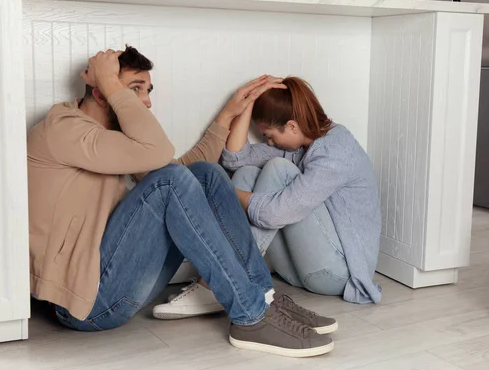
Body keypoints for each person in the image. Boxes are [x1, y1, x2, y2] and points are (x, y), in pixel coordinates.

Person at [27, 47, 337, 358]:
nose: (147, 102)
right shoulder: (63, 128)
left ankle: (263, 297)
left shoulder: (109, 139)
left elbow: (177, 170)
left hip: (113, 280)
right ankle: (250, 316)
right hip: (85, 304)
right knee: (171, 180)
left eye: (148, 91)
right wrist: (109, 80)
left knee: (206, 174)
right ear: (102, 92)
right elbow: (162, 161)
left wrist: (228, 114)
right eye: (135, 90)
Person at [152, 76, 381, 320]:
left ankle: (218, 284)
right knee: (248, 173)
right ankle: (221, 281)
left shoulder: (335, 152)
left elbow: (275, 214)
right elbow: (235, 159)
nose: (268, 142)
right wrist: (247, 104)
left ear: (292, 126)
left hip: (336, 274)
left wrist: (222, 192)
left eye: (270, 136)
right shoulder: (303, 143)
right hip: (297, 272)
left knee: (278, 170)